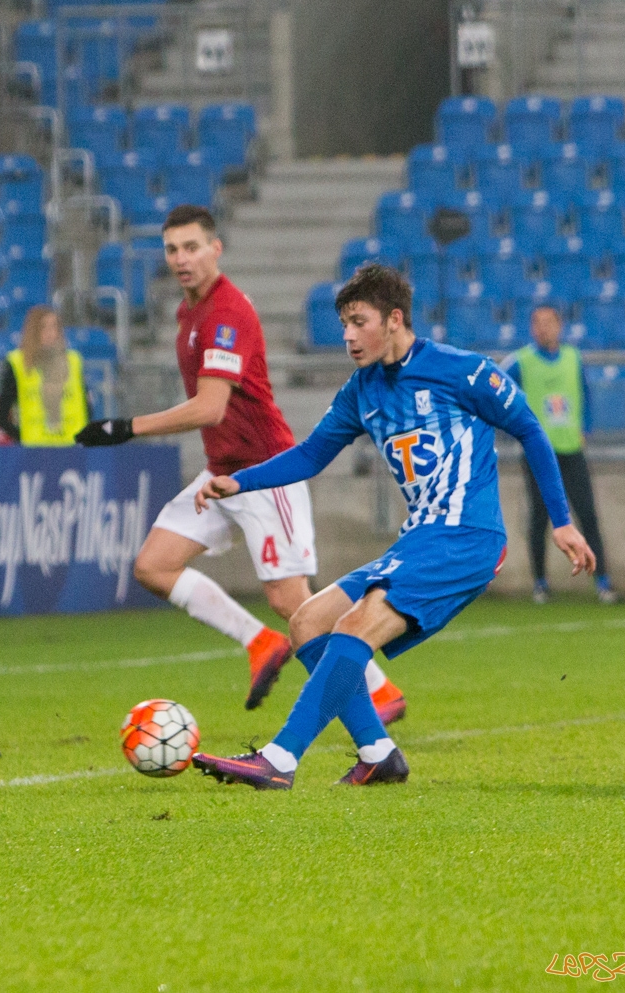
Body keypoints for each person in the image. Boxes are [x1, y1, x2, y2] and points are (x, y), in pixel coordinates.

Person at [190, 264, 594, 789]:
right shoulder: (362, 391)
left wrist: (562, 522)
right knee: (309, 622)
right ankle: (379, 753)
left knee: (358, 625)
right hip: (421, 537)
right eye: (343, 324)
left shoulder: (463, 371)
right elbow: (311, 455)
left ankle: (279, 760)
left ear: (395, 319)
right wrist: (237, 483)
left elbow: (531, 430)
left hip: (465, 537)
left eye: (359, 321)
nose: (348, 336)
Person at [76, 205, 406, 723]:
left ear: (216, 249)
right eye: (171, 249)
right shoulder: (190, 313)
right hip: (222, 472)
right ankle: (259, 644)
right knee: (153, 566)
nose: (181, 259)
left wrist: (126, 428)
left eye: (191, 247)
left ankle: (379, 689)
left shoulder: (226, 312)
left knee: (293, 601)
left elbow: (211, 407)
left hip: (264, 470)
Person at [501, 305, 617, 604]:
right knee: (539, 519)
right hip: (539, 454)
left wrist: (585, 428)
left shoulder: (573, 358)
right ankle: (540, 583)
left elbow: (586, 395)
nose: (544, 328)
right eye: (537, 323)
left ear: (560, 326)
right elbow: (497, 393)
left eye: (549, 322)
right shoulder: (520, 362)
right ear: (531, 328)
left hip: (571, 450)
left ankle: (603, 581)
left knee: (588, 515)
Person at [0, 306, 90, 445]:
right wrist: (24, 437)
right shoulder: (17, 363)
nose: (50, 333)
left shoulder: (74, 362)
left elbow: (86, 408)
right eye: (44, 328)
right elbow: (1, 417)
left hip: (72, 450)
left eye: (54, 327)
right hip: (35, 454)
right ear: (33, 331)